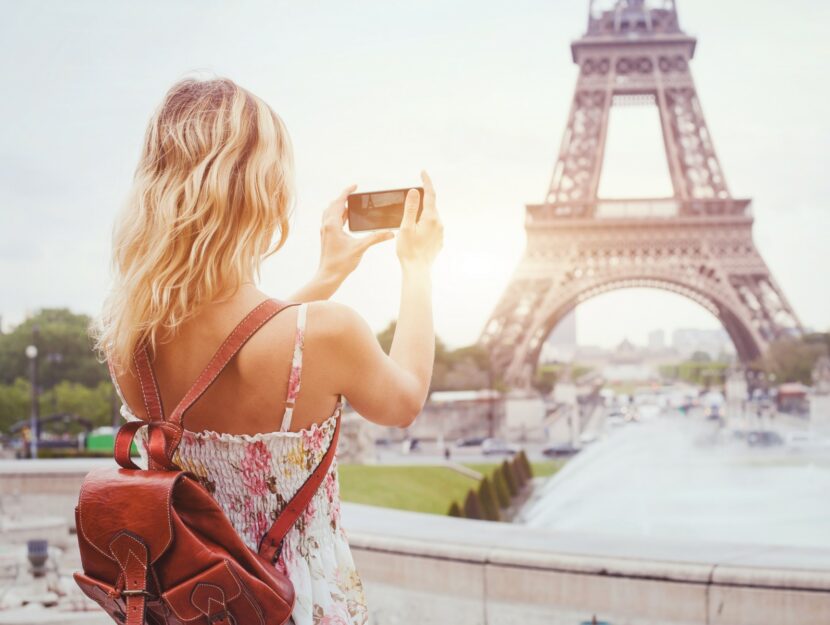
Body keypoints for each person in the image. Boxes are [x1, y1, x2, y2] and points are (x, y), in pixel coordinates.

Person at [89, 76, 443, 625]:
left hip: (189, 603)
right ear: (266, 191)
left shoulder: (128, 339)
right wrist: (416, 266)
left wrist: (326, 276)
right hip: (292, 602)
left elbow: (230, 355)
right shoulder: (329, 334)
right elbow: (404, 400)